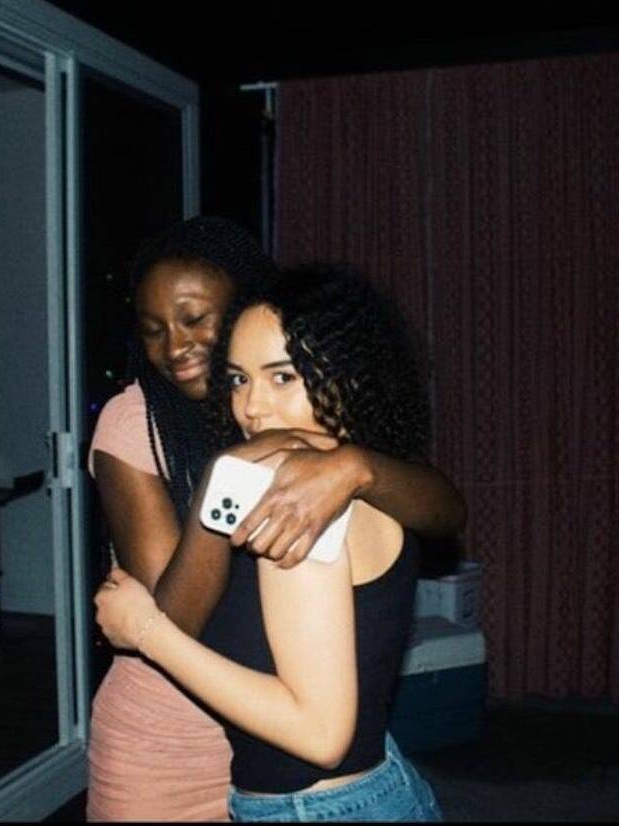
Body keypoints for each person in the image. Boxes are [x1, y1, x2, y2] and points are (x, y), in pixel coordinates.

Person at [88, 217, 464, 822]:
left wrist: (354, 467)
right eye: (239, 380)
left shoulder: (298, 491)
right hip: (198, 740)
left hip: (299, 778)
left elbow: (317, 733)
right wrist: (228, 481)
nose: (251, 404)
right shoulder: (154, 426)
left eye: (281, 376)